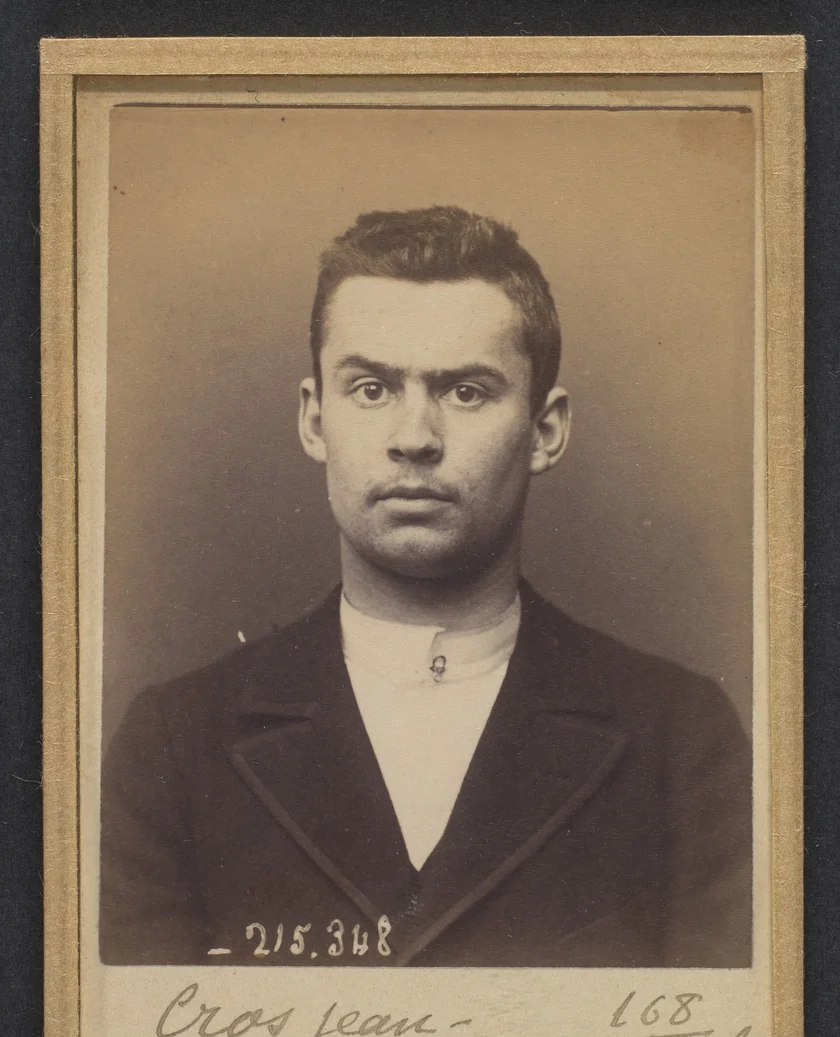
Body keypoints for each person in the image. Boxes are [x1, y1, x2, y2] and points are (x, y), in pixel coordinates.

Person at [100, 206, 752, 968]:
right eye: (371, 388)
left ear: (545, 431)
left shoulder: (682, 740)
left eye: (467, 391)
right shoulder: (175, 744)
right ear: (315, 419)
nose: (415, 437)